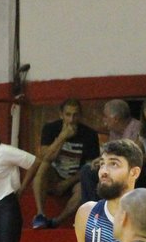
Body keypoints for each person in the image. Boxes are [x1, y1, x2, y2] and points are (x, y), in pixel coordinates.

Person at [31, 99, 101, 230]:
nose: (71, 119)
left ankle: (57, 221)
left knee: (84, 187)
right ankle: (40, 214)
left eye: (75, 115)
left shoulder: (90, 134)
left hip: (75, 179)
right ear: (61, 114)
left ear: (80, 116)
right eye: (68, 114)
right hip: (54, 175)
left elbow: (90, 167)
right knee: (42, 167)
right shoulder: (51, 129)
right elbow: (45, 157)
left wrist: (67, 183)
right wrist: (62, 137)